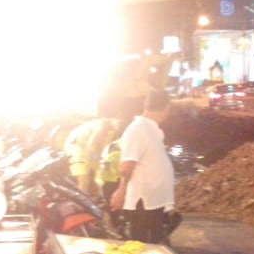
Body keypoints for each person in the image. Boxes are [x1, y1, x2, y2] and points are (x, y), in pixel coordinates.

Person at [110, 88, 175, 245]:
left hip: (154, 201)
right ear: (166, 107)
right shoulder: (137, 129)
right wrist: (121, 191)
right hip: (143, 201)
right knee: (141, 245)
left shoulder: (152, 129)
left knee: (154, 245)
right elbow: (127, 166)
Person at [62, 116, 119, 196]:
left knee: (95, 174)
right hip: (77, 147)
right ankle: (83, 203)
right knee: (84, 179)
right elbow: (92, 146)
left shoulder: (106, 126)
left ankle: (97, 197)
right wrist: (96, 160)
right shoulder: (102, 125)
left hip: (82, 147)